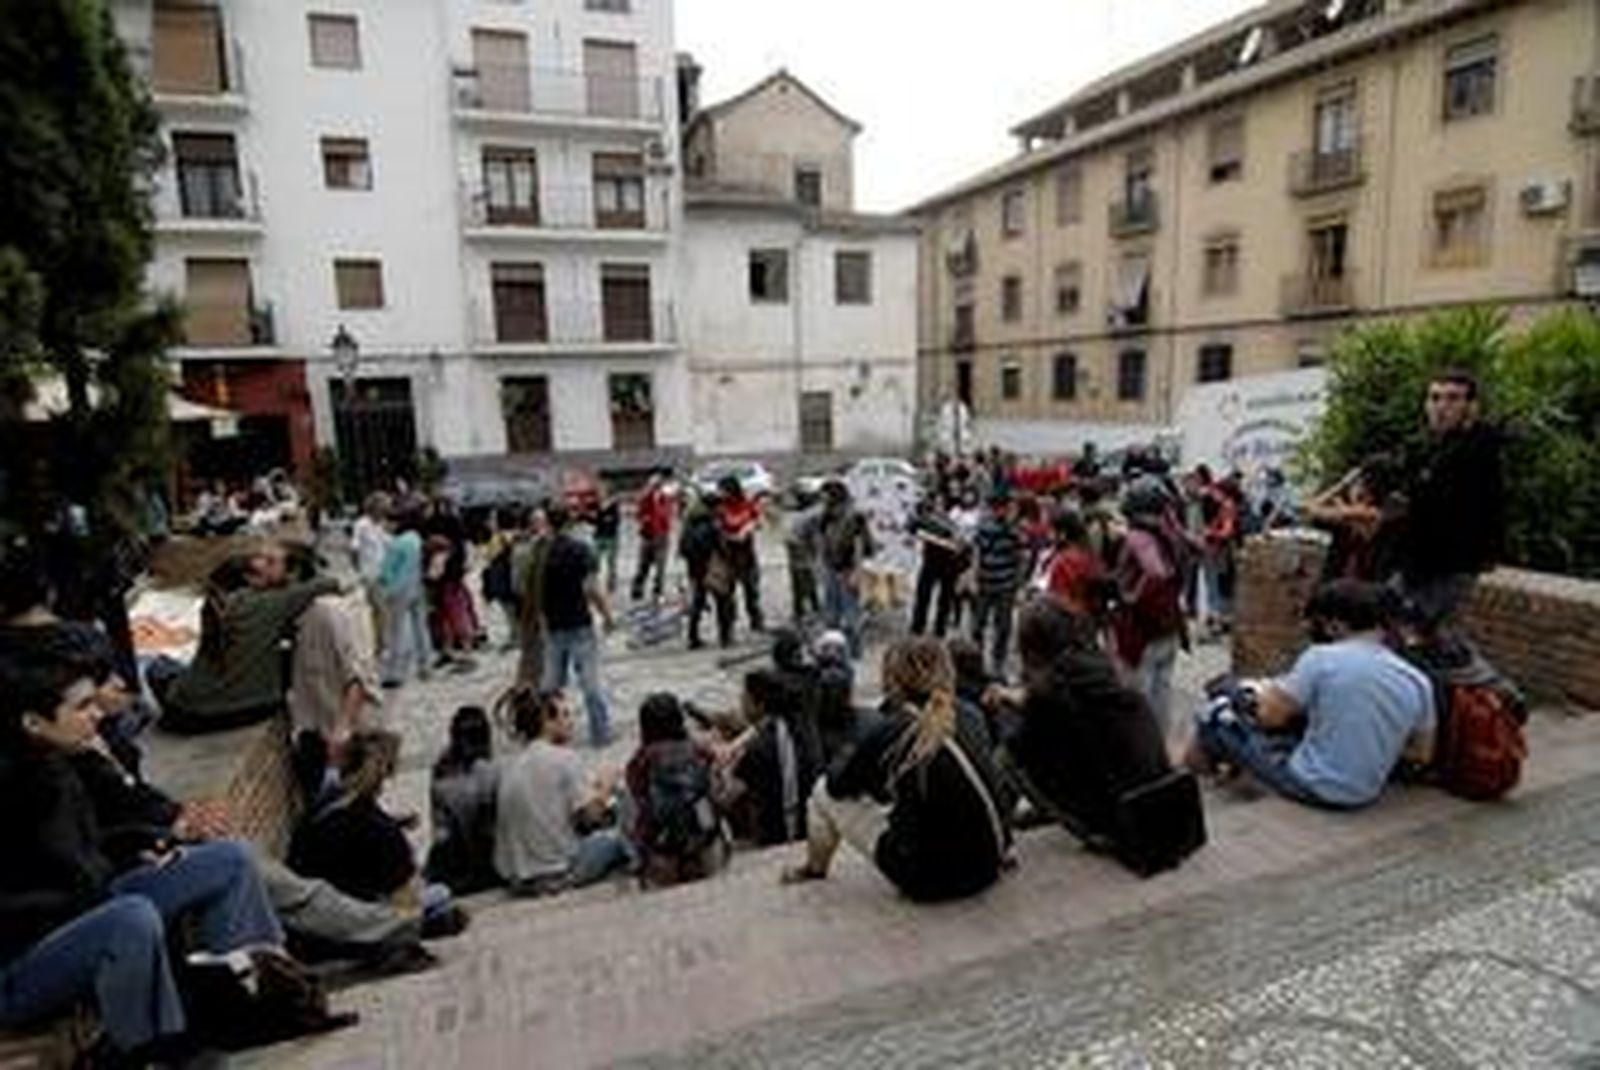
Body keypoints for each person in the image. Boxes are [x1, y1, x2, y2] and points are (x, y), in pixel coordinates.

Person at [0, 654, 352, 1058]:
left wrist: (152, 845)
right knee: (131, 918)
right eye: (81, 708)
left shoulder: (62, 760)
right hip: (29, 954)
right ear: (33, 722)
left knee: (227, 859)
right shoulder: (21, 787)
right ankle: (159, 1052)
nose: (95, 714)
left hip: (88, 901)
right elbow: (51, 888)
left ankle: (263, 1001)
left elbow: (97, 843)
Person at [782, 638, 1011, 902]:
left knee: (822, 793)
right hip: (990, 864)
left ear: (893, 681)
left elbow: (838, 786)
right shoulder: (970, 712)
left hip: (930, 883)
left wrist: (849, 754)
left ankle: (815, 868)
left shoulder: (890, 730)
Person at [1187, 579, 1435, 809]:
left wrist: (1258, 693)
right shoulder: (1416, 679)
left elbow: (1270, 717)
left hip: (1313, 785)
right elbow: (1420, 753)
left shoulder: (1321, 658)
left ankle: (1195, 782)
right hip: (1367, 791)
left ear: (1334, 625)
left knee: (1216, 712)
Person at [995, 601, 1175, 849]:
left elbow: (1022, 739)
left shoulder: (1050, 691)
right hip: (1159, 795)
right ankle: (1054, 809)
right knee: (1048, 740)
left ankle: (997, 835)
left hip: (1122, 819)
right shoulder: (1095, 664)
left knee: (1008, 755)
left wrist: (1003, 713)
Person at [289, 731, 467, 936]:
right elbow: (405, 903)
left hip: (313, 910)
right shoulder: (380, 830)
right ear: (385, 774)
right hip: (358, 913)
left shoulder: (322, 806)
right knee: (441, 893)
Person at [159, 540, 342, 731]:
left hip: (184, 707)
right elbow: (330, 583)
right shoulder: (275, 602)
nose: (258, 564)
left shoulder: (235, 599)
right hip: (224, 710)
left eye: (269, 561)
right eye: (261, 558)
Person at [1390, 369, 1507, 637]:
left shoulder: (1477, 449)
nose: (1441, 407)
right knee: (1391, 627)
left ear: (1472, 407)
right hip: (1415, 565)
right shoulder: (1434, 446)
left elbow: (1446, 507)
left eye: (1453, 399)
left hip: (1448, 568)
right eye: (1434, 398)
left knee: (1414, 637)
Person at [494, 688, 633, 896]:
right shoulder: (564, 758)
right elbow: (590, 817)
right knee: (619, 832)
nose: (571, 722)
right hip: (559, 872)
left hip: (517, 876)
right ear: (546, 722)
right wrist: (606, 786)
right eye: (565, 715)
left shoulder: (510, 766)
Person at [1111, 479, 1188, 738]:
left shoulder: (1138, 537)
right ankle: (1158, 754)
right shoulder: (1172, 533)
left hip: (1141, 634)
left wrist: (1129, 597)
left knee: (1136, 702)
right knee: (1161, 696)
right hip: (1169, 626)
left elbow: (1156, 573)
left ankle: (1140, 759)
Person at [625, 693, 725, 888]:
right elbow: (716, 783)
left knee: (624, 803)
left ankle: (638, 864)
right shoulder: (697, 749)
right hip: (704, 839)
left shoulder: (642, 758)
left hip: (663, 846)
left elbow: (638, 797)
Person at [539, 504, 615, 747]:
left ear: (548, 524)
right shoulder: (581, 550)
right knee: (591, 684)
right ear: (570, 524)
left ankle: (547, 732)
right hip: (580, 624)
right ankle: (600, 735)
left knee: (550, 685)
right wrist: (608, 616)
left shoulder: (540, 552)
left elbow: (532, 591)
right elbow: (591, 589)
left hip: (552, 626)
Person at [727, 669, 823, 846]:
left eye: (744, 697)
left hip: (783, 830)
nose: (740, 701)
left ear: (760, 705)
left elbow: (726, 796)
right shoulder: (799, 721)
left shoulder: (759, 748)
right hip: (810, 814)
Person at [425, 706, 500, 895]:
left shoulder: (439, 771)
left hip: (450, 864)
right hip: (481, 862)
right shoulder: (487, 771)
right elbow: (488, 827)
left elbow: (440, 830)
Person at [815, 479, 877, 658]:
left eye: (825, 495)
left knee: (851, 617)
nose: (822, 499)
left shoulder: (854, 516)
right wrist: (821, 566)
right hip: (831, 569)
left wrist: (857, 573)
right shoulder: (826, 515)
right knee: (830, 615)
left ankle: (854, 652)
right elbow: (822, 542)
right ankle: (833, 651)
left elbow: (861, 547)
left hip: (848, 570)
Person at [971, 491, 1025, 676]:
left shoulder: (1016, 529)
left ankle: (998, 662)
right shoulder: (984, 527)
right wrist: (973, 576)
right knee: (978, 625)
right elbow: (977, 553)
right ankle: (976, 659)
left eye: (1005, 508)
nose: (1001, 511)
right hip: (985, 582)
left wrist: (1019, 585)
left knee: (1003, 626)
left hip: (1006, 585)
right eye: (998, 508)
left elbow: (1020, 558)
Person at [378, 510, 433, 688]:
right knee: (420, 627)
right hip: (417, 586)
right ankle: (425, 666)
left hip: (397, 590)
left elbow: (386, 571)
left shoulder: (397, 544)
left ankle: (395, 673)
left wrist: (381, 582)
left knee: (396, 632)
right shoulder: (418, 540)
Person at [680, 492, 732, 649]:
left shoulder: (689, 522)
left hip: (695, 569)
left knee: (698, 603)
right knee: (723, 602)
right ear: (714, 507)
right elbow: (721, 548)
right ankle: (725, 637)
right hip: (711, 568)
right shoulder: (712, 525)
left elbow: (683, 548)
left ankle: (693, 637)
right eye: (720, 505)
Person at [715, 475, 765, 636]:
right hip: (728, 557)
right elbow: (717, 530)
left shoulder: (746, 504)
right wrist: (731, 537)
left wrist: (749, 527)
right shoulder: (720, 508)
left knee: (752, 591)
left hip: (748, 556)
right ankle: (729, 626)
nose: (721, 494)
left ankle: (756, 621)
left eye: (723, 490)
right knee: (728, 594)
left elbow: (758, 521)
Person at [908, 494, 964, 638]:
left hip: (950, 564)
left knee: (945, 600)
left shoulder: (956, 520)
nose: (938, 507)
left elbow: (961, 542)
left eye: (941, 504)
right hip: (930, 562)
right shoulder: (927, 519)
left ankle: (940, 630)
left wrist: (955, 542)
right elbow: (911, 527)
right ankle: (917, 627)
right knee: (922, 596)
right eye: (936, 503)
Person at [1041, 507, 1109, 623]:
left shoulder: (1065, 561)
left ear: (1062, 534)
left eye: (1051, 530)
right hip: (1087, 621)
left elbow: (1058, 598)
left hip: (1067, 622)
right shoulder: (1088, 552)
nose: (1048, 534)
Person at [351, 492, 391, 652]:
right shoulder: (361, 525)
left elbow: (388, 544)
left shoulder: (381, 525)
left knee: (380, 611)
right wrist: (359, 570)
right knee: (380, 610)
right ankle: (381, 645)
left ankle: (380, 643)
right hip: (370, 574)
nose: (385, 510)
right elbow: (354, 548)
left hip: (383, 573)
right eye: (383, 507)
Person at [783, 488, 824, 627]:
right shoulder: (810, 516)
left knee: (799, 584)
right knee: (807, 582)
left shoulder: (794, 517)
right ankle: (812, 609)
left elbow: (789, 539)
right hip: (803, 553)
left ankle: (800, 610)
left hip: (797, 553)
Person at [632, 472, 675, 603]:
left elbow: (668, 514)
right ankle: (637, 589)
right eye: (653, 484)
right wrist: (644, 518)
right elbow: (638, 514)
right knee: (642, 565)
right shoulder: (645, 498)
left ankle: (657, 591)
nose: (655, 487)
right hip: (648, 535)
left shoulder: (665, 498)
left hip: (662, 536)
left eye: (657, 484)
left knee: (660, 567)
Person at [592, 483, 622, 597]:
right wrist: (603, 519)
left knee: (611, 563)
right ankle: (594, 583)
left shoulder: (614, 505)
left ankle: (611, 585)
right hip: (599, 536)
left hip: (611, 537)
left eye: (603, 491)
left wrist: (603, 519)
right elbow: (595, 520)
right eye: (600, 491)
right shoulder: (597, 504)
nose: (601, 493)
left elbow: (615, 521)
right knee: (595, 561)